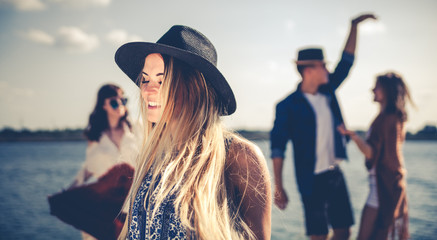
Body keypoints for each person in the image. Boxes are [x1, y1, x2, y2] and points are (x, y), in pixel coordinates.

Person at [114, 25, 271, 240]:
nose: (148, 90)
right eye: (145, 79)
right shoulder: (151, 157)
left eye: (161, 80)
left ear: (194, 86)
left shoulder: (239, 157)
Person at [270, 14, 376, 240]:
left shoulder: (328, 91)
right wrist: (278, 185)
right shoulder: (287, 106)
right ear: (309, 70)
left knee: (344, 231)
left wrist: (354, 26)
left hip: (335, 173)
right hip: (310, 179)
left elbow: (346, 62)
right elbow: (278, 148)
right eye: (323, 67)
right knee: (318, 235)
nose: (328, 71)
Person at [338, 72, 411, 240]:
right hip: (385, 185)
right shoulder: (392, 118)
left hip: (383, 188)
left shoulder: (387, 119)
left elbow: (372, 152)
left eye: (377, 87)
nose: (373, 90)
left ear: (387, 90)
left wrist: (354, 137)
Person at [69, 84, 140, 240]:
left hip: (132, 204)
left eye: (123, 100)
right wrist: (73, 189)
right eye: (114, 102)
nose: (120, 105)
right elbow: (89, 167)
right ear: (103, 105)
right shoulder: (96, 136)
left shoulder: (136, 128)